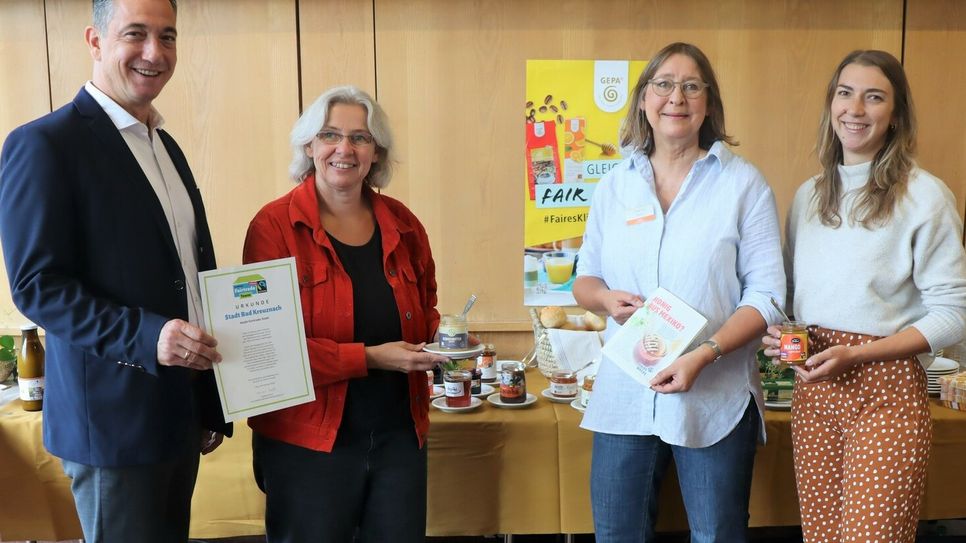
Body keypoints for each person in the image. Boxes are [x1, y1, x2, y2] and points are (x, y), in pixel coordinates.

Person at [0, 1, 231, 542]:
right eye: (136, 34)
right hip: (111, 427)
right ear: (95, 41)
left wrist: (209, 399)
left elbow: (188, 275)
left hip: (177, 411)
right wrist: (149, 336)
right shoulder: (45, 144)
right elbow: (38, 287)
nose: (155, 52)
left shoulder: (165, 145)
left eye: (167, 36)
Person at [572, 42, 785, 542]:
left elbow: (768, 295)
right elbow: (584, 280)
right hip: (626, 394)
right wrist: (605, 301)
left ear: (708, 103)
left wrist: (704, 353)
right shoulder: (614, 185)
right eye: (664, 84)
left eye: (692, 86)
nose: (677, 97)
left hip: (714, 395)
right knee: (616, 533)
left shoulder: (743, 184)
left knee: (717, 535)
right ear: (644, 99)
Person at [762, 50, 966, 543]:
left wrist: (858, 353)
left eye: (874, 97)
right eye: (845, 93)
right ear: (831, 104)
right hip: (815, 392)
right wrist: (778, 336)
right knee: (821, 537)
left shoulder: (925, 196)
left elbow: (956, 314)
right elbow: (795, 303)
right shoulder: (809, 197)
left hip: (887, 394)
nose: (855, 109)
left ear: (895, 115)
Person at [242, 85, 449, 542]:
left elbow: (427, 307)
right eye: (331, 134)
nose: (345, 148)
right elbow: (268, 347)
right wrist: (371, 357)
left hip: (399, 434)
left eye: (361, 137)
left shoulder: (405, 224)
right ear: (309, 146)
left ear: (376, 152)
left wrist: (446, 340)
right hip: (307, 440)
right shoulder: (273, 227)